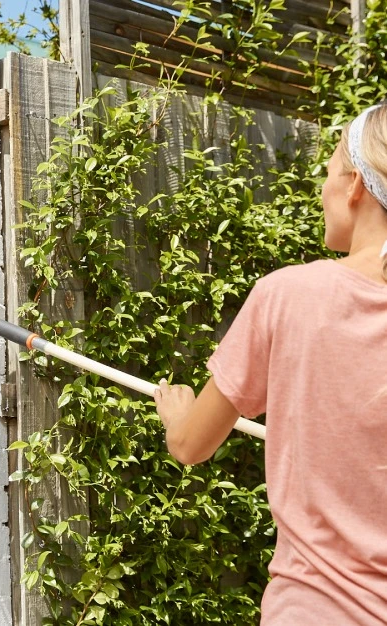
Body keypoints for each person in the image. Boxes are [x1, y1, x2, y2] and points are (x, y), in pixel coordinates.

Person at [154, 103, 387, 625]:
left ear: (356, 187)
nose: (322, 193)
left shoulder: (288, 296)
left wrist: (178, 415)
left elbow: (191, 445)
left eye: (327, 175)